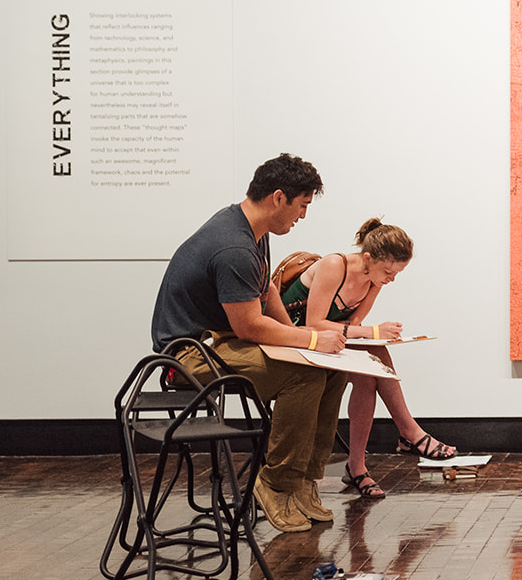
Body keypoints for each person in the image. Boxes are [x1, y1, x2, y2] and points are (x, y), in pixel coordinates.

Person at [150, 153, 347, 533]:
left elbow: (267, 289)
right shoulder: (234, 246)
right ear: (278, 197)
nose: (302, 216)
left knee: (330, 371)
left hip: (219, 339)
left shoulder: (252, 230)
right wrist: (309, 339)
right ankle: (276, 483)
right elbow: (249, 327)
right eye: (302, 206)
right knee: (302, 378)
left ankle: (305, 481)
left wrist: (303, 344)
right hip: (189, 355)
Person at [281, 218, 457, 498]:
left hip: (325, 343)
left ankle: (360, 465)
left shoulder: (374, 280)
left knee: (372, 364)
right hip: (293, 340)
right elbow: (315, 322)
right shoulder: (333, 266)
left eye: (397, 273)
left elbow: (351, 328)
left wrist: (375, 334)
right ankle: (407, 434)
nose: (391, 278)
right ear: (367, 258)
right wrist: (374, 331)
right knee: (375, 354)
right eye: (388, 271)